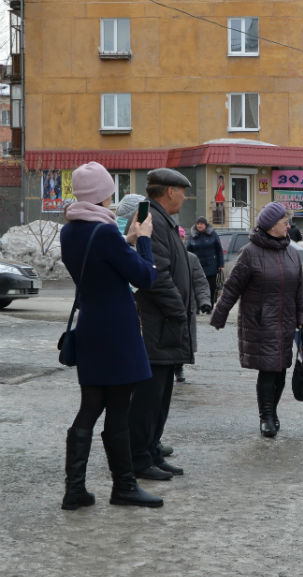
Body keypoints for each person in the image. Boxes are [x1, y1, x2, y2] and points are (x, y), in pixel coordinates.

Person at [59, 161, 163, 509]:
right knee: (118, 411)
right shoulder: (103, 233)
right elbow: (145, 277)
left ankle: (74, 489)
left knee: (89, 408)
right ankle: (124, 486)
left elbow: (102, 262)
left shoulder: (71, 230)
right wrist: (143, 240)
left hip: (91, 328)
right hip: (118, 331)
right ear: (104, 194)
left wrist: (127, 239)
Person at [210, 202, 303, 437]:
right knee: (268, 370)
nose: (289, 226)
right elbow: (232, 287)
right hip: (261, 321)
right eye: (285, 222)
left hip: (286, 322)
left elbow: (300, 290)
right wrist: (219, 315)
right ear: (270, 226)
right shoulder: (250, 253)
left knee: (281, 369)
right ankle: (266, 416)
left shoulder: (292, 252)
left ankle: (273, 412)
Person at [130, 168, 195, 481]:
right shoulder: (152, 221)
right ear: (170, 191)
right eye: (182, 191)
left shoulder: (162, 219)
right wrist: (178, 311)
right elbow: (156, 275)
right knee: (148, 397)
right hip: (158, 324)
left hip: (166, 324)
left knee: (161, 395)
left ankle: (151, 450)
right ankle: (139, 458)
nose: (184, 196)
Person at [176, 226, 213, 383]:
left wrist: (204, 301)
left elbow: (200, 282)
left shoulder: (191, 258)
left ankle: (179, 367)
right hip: (166, 305)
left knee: (183, 339)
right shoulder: (163, 257)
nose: (180, 241)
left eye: (182, 238)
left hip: (186, 307)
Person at [186, 216, 224, 304]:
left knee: (211, 286)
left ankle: (209, 304)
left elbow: (219, 250)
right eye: (198, 224)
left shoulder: (213, 234)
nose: (199, 226)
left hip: (211, 264)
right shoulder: (192, 235)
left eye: (201, 224)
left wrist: (221, 265)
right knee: (197, 285)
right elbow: (188, 250)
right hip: (197, 265)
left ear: (205, 225)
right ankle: (199, 306)